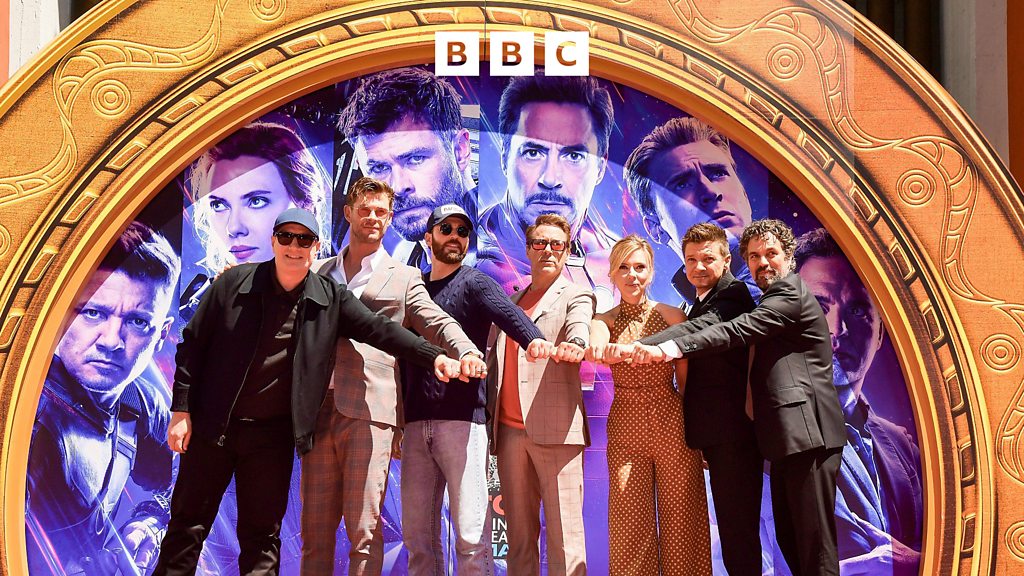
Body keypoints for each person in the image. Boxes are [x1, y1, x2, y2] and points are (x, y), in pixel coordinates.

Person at [152, 208, 463, 576]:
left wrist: (434, 357)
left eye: (304, 239)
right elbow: (192, 346)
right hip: (213, 426)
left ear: (316, 248)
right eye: (286, 237)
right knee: (187, 527)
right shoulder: (234, 283)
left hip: (271, 438)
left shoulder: (329, 297)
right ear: (273, 241)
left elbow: (381, 330)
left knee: (262, 538)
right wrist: (182, 410)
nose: (294, 246)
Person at [632, 218, 847, 576]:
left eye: (771, 254)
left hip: (810, 436)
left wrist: (668, 348)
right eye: (755, 257)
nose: (763, 263)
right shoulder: (770, 298)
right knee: (793, 543)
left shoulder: (789, 294)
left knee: (815, 550)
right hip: (786, 439)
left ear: (788, 256)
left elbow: (736, 329)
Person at [301, 179, 486, 575]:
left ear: (389, 219)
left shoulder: (404, 277)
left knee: (365, 531)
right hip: (315, 412)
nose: (373, 217)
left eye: (381, 212)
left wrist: (467, 351)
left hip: (371, 413)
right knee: (314, 535)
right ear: (348, 213)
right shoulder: (316, 271)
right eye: (365, 209)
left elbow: (437, 321)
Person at [401, 204, 554, 575]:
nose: (455, 236)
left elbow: (510, 314)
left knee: (471, 538)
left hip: (462, 425)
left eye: (462, 231)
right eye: (446, 229)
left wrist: (534, 339)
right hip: (414, 425)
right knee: (418, 540)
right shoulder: (410, 286)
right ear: (428, 237)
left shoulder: (475, 282)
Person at [26, 222, 178, 575]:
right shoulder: (27, 421)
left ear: (161, 334)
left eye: (137, 322)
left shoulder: (138, 402)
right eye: (93, 312)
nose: (111, 341)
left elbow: (192, 470)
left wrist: (149, 522)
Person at [794, 228, 923, 576]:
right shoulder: (766, 436)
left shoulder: (901, 443)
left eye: (857, 311)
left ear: (881, 334)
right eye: (818, 307)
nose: (837, 329)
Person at [644, 222, 765, 575]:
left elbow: (698, 329)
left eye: (708, 259)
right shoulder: (702, 301)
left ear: (726, 260)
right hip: (715, 436)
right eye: (691, 259)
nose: (698, 267)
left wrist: (642, 346)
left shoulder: (733, 296)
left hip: (735, 437)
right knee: (731, 531)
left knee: (738, 532)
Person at [586, 235, 712, 575]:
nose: (632, 275)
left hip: (673, 422)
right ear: (612, 274)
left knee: (682, 520)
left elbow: (687, 382)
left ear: (651, 272)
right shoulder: (603, 321)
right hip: (625, 427)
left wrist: (697, 432)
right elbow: (595, 346)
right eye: (624, 268)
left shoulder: (673, 316)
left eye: (639, 267)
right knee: (629, 523)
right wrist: (601, 349)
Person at [486, 213, 595, 576]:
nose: (548, 250)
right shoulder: (510, 302)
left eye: (557, 244)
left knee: (566, 538)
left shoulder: (577, 295)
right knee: (518, 539)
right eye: (540, 243)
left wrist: (576, 343)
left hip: (557, 433)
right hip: (509, 436)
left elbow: (579, 327)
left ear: (567, 250)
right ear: (528, 249)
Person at [477, 75, 618, 310]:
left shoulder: (619, 260)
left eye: (574, 156)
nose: (550, 179)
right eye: (533, 153)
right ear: (505, 157)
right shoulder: (471, 260)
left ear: (601, 168)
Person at [182, 121, 331, 320]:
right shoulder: (200, 307)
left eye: (256, 201)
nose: (233, 227)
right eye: (219, 205)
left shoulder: (336, 296)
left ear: (305, 206)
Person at [337, 67, 477, 270]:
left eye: (416, 159)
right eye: (379, 167)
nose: (398, 187)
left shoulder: (504, 247)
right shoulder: (405, 256)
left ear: (460, 150)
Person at [624, 116, 759, 304]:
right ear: (655, 227)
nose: (711, 191)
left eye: (719, 173)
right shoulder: (684, 316)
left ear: (744, 194)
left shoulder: (797, 277)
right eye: (682, 185)